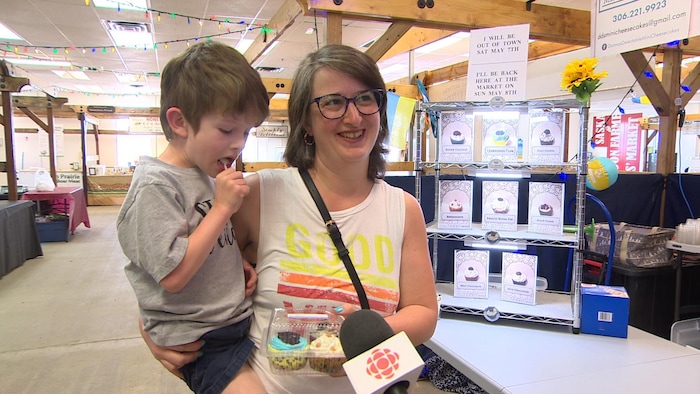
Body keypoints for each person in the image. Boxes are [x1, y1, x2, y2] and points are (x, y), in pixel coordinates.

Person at [143, 43, 439, 394]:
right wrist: (153, 333)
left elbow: (423, 311)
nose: (354, 116)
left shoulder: (403, 209)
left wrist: (356, 338)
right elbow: (171, 268)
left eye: (365, 98)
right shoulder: (257, 196)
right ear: (305, 122)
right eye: (332, 102)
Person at [117, 41, 269, 394]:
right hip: (201, 340)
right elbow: (173, 275)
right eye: (227, 130)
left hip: (232, 322)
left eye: (246, 132)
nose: (238, 145)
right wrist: (222, 209)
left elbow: (205, 244)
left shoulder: (202, 173)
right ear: (180, 122)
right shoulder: (155, 186)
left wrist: (234, 265)